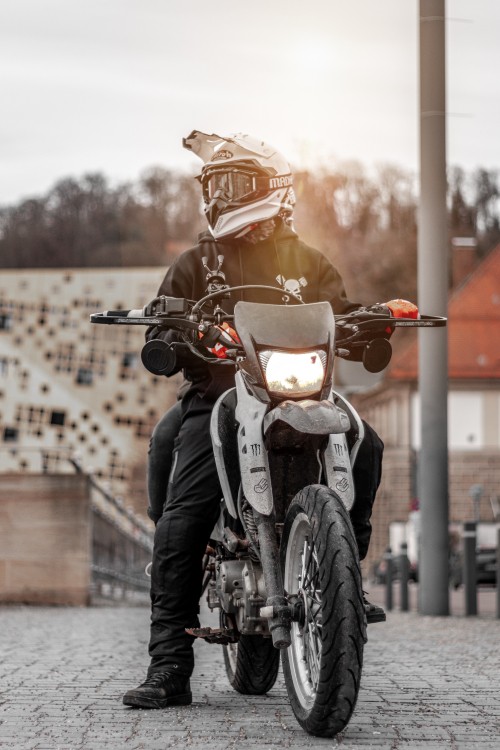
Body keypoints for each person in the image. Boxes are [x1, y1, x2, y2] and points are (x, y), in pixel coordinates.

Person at [123, 131, 411, 710]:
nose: (222, 196)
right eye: (216, 186)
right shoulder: (198, 261)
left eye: (234, 185)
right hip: (221, 398)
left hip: (301, 393)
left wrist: (373, 320)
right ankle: (169, 664)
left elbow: (341, 312)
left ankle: (343, 573)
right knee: (183, 515)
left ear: (270, 189)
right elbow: (162, 320)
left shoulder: (308, 261)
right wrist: (169, 333)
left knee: (368, 443)